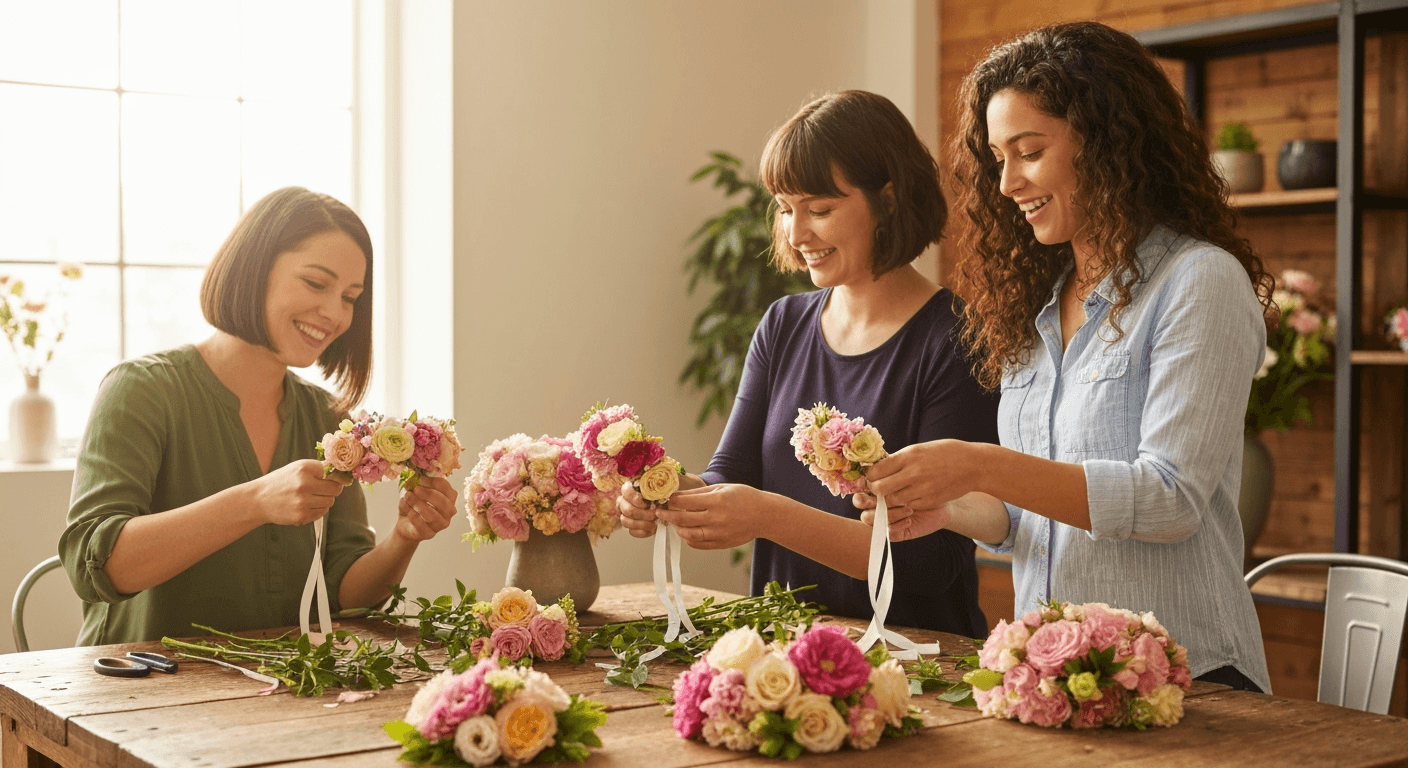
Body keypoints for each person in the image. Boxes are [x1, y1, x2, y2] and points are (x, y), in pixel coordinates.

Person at [860, 22, 1274, 692]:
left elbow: (1169, 501)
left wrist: (978, 462)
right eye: (998, 158)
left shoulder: (1200, 282)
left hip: (1190, 682)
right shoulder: (1039, 304)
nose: (1006, 183)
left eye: (1028, 151)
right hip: (1057, 682)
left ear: (1106, 145)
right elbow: (1030, 519)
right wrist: (944, 506)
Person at [618, 90, 998, 638]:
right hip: (784, 650)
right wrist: (670, 493)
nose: (797, 235)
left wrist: (768, 516)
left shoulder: (957, 340)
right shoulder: (783, 324)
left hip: (916, 664)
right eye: (785, 209)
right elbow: (732, 476)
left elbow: (930, 563)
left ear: (888, 200)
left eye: (819, 209)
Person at [60, 187, 458, 645]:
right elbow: (96, 568)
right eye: (315, 283)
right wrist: (255, 502)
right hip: (137, 694)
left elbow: (345, 599)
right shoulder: (140, 391)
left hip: (272, 699)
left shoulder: (328, 417)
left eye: (350, 297)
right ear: (254, 271)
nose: (334, 313)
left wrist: (404, 538)